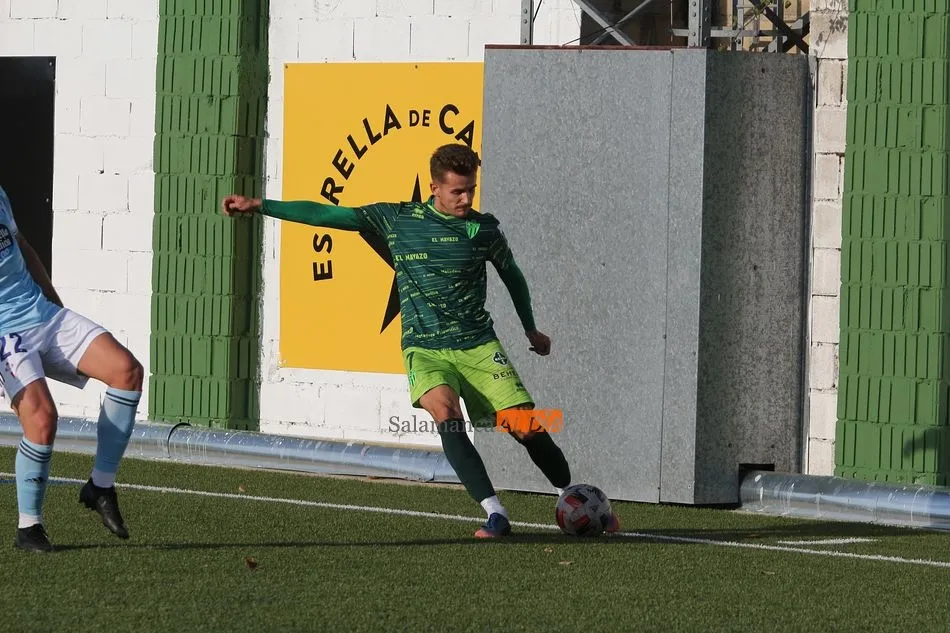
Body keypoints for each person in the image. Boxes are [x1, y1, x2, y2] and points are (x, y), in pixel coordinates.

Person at [222, 143, 618, 538]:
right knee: (447, 415)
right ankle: (495, 513)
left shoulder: (482, 229)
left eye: (471, 189)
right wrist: (260, 205)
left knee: (525, 427)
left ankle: (574, 496)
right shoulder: (397, 219)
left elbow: (512, 275)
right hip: (424, 348)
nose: (466, 199)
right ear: (434, 188)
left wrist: (530, 328)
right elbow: (325, 214)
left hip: (478, 345)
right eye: (457, 191)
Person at [0, 185, 144, 553]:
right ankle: (29, 528)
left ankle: (100, 486)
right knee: (43, 419)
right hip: (4, 333)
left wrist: (55, 305)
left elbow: (21, 245)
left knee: (126, 370)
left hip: (42, 314)